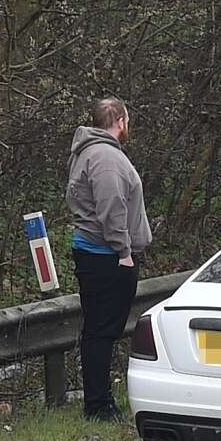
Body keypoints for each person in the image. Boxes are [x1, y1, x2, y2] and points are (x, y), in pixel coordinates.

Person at [65, 97, 152, 421]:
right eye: (127, 120)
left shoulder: (89, 152)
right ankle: (99, 405)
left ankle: (98, 401)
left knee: (98, 330)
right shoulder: (105, 157)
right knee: (102, 331)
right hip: (107, 255)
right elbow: (111, 206)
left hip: (97, 251)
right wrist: (124, 252)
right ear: (119, 120)